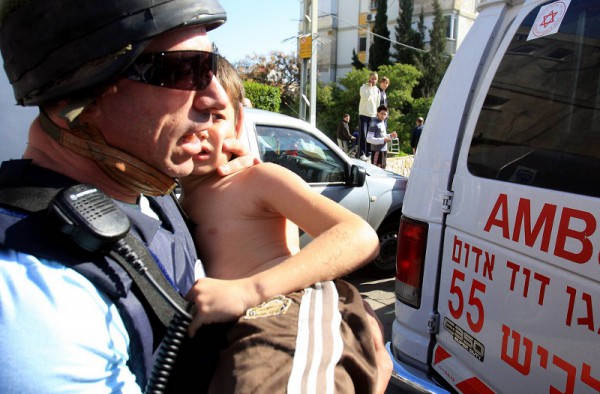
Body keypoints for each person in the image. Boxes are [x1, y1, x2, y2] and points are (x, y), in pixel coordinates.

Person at [0, 0, 391, 392]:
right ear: (82, 97)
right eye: (182, 69)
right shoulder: (38, 298)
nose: (216, 98)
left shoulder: (152, 189)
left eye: (211, 64)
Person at [179, 56, 384, 392]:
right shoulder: (178, 193)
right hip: (237, 326)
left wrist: (248, 290)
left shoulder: (255, 178)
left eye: (216, 116)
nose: (201, 127)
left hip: (285, 306)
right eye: (189, 112)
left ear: (238, 121)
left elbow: (359, 235)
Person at [358, 72, 380, 161]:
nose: (373, 80)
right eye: (372, 78)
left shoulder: (377, 90)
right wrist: (370, 88)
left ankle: (369, 153)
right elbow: (365, 97)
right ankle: (361, 153)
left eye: (375, 79)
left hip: (373, 115)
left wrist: (377, 115)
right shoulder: (364, 87)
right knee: (363, 134)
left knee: (370, 135)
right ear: (369, 78)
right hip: (364, 114)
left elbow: (377, 103)